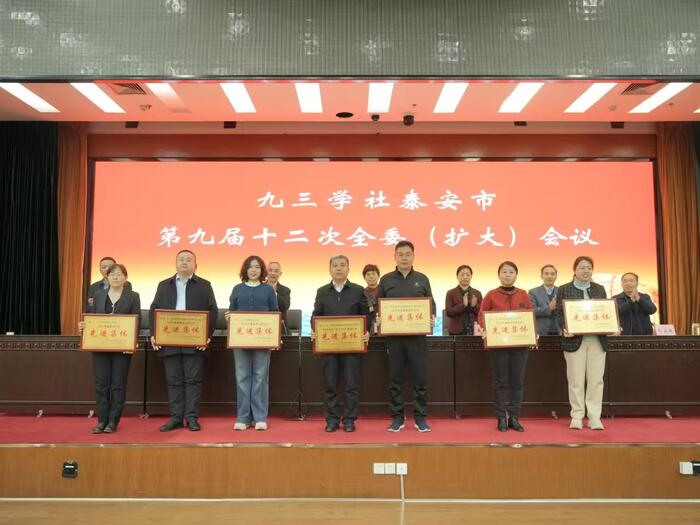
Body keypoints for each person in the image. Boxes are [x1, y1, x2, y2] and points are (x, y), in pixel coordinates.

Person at [150, 250, 218, 432]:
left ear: (196, 265)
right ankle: (176, 418)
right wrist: (154, 334)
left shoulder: (204, 285)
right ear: (175, 263)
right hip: (169, 341)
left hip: (194, 341)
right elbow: (154, 309)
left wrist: (206, 335)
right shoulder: (164, 285)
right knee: (174, 381)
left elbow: (213, 311)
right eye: (181, 259)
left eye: (189, 260)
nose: (185, 262)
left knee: (193, 381)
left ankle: (192, 418)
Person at [376, 240, 436, 433]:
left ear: (413, 256)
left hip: (417, 338)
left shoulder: (422, 279)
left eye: (408, 254)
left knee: (420, 379)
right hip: (394, 339)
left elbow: (431, 304)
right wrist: (378, 318)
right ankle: (397, 417)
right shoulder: (386, 280)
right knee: (395, 379)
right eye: (400, 254)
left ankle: (420, 418)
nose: (404, 258)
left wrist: (431, 317)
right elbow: (378, 305)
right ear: (395, 257)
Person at [312, 255, 371, 433]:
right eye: (335, 265)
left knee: (351, 385)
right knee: (330, 384)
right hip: (329, 346)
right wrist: (315, 330)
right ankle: (331, 419)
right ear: (330, 269)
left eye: (342, 265)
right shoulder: (322, 291)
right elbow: (316, 315)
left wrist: (367, 331)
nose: (339, 268)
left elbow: (366, 315)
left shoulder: (358, 290)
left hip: (352, 345)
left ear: (348, 268)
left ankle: (349, 420)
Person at [80, 263, 140, 434]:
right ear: (107, 277)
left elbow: (137, 321)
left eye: (119, 274)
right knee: (101, 384)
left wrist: (132, 342)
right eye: (112, 274)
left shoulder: (133, 296)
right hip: (100, 346)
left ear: (125, 278)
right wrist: (83, 326)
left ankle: (113, 421)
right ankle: (101, 420)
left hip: (122, 348)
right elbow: (91, 318)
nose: (115, 277)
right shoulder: (98, 295)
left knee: (118, 385)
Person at [555, 256, 610, 431]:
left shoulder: (599, 289)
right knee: (576, 381)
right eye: (582, 267)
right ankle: (577, 416)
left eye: (589, 268)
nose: (586, 271)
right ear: (575, 270)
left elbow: (606, 311)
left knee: (596, 380)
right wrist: (564, 327)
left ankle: (594, 417)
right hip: (573, 341)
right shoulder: (564, 289)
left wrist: (612, 325)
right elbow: (559, 313)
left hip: (597, 340)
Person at [478, 261, 533, 432]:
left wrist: (533, 332)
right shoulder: (491, 295)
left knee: (517, 382)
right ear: (499, 275)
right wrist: (486, 329)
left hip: (520, 346)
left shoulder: (523, 294)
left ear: (516, 275)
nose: (507, 275)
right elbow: (481, 316)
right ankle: (501, 418)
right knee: (500, 383)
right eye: (504, 272)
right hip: (498, 345)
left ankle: (514, 418)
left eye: (511, 272)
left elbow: (530, 317)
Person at [227, 255, 278, 431]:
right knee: (242, 377)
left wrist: (274, 337)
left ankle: (260, 417)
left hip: (262, 340)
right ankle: (243, 418)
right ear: (245, 270)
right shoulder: (237, 289)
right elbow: (232, 311)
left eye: (257, 267)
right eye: (250, 267)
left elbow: (275, 313)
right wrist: (229, 317)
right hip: (240, 340)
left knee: (260, 377)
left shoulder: (268, 290)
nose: (254, 270)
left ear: (262, 270)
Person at [445, 265, 482, 335]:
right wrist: (463, 305)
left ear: (471, 276)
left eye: (468, 275)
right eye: (462, 275)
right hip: (456, 331)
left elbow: (481, 313)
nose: (465, 277)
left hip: (474, 330)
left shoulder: (477, 293)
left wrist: (474, 306)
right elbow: (448, 312)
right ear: (457, 276)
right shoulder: (450, 293)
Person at [528, 264, 561, 336]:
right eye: (546, 274)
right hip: (541, 333)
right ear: (541, 276)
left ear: (556, 276)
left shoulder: (561, 291)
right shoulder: (533, 292)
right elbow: (531, 312)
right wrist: (549, 308)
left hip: (559, 332)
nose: (549, 276)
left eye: (552, 274)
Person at [266, 261, 291, 334]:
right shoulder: (259, 288)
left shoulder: (285, 290)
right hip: (262, 325)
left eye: (276, 271)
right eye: (270, 270)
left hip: (280, 328)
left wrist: (274, 293)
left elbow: (285, 306)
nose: (273, 273)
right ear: (266, 272)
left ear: (280, 274)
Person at [362, 264, 380, 334]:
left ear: (378, 276)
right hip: (368, 329)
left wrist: (373, 308)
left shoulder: (385, 290)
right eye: (368, 274)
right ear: (364, 277)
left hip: (385, 326)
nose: (371, 276)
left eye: (373, 273)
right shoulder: (361, 293)